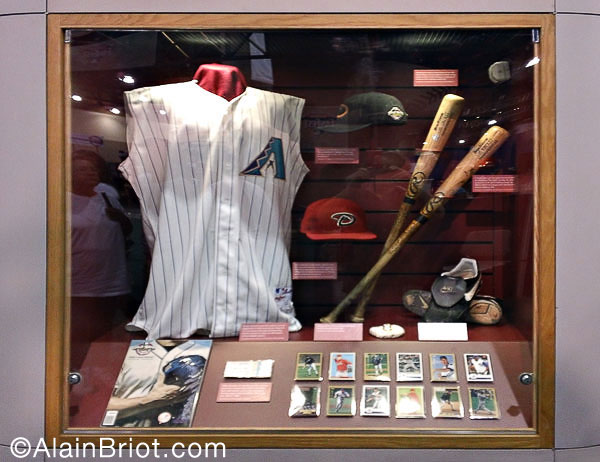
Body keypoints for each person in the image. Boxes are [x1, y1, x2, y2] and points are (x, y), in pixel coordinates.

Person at [69, 151, 132, 369]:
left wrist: (121, 218)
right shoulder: (61, 201)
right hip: (78, 288)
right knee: (79, 342)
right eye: (82, 169)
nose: (90, 173)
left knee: (106, 341)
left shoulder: (107, 196)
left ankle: (99, 381)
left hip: (112, 284)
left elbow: (126, 229)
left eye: (93, 169)